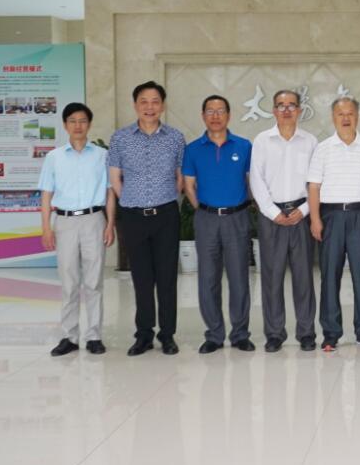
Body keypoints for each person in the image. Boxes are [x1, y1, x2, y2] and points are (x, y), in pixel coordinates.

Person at [108, 81, 186, 357]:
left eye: (155, 101)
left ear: (162, 105)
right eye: (144, 101)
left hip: (166, 215)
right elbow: (115, 178)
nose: (149, 107)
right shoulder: (120, 138)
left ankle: (167, 335)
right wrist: (132, 201)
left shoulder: (175, 138)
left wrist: (164, 200)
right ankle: (143, 335)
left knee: (167, 278)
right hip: (133, 216)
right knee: (141, 278)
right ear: (135, 105)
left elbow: (180, 179)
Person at [39, 102, 116, 357]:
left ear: (89, 124)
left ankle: (94, 336)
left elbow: (109, 192)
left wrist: (110, 224)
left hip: (94, 220)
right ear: (65, 125)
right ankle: (69, 336)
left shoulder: (102, 156)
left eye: (82, 121)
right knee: (69, 282)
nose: (78, 126)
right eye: (72, 121)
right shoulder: (54, 157)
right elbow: (46, 195)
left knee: (94, 282)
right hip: (65, 222)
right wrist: (46, 228)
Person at [183, 94, 254, 354]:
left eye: (220, 110)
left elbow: (251, 182)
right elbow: (189, 186)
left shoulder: (244, 146)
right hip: (207, 219)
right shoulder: (193, 149)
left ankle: (240, 334)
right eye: (210, 111)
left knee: (239, 277)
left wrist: (241, 205)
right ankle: (214, 334)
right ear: (203, 116)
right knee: (208, 278)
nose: (215, 116)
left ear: (229, 115)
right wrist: (204, 208)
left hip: (237, 218)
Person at [249, 90, 320, 353]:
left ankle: (306, 332)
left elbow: (316, 180)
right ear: (273, 110)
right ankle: (275, 333)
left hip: (302, 215)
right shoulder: (262, 140)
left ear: (300, 110)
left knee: (304, 277)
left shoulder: (310, 141)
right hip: (272, 217)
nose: (286, 110)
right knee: (272, 277)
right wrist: (271, 211)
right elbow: (256, 179)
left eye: (291, 105)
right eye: (281, 105)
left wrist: (305, 209)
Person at [308, 97, 360, 352]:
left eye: (350, 114)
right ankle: (330, 333)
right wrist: (315, 219)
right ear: (333, 118)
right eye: (340, 114)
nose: (345, 118)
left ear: (357, 116)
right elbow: (313, 187)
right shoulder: (323, 148)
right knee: (329, 275)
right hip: (331, 216)